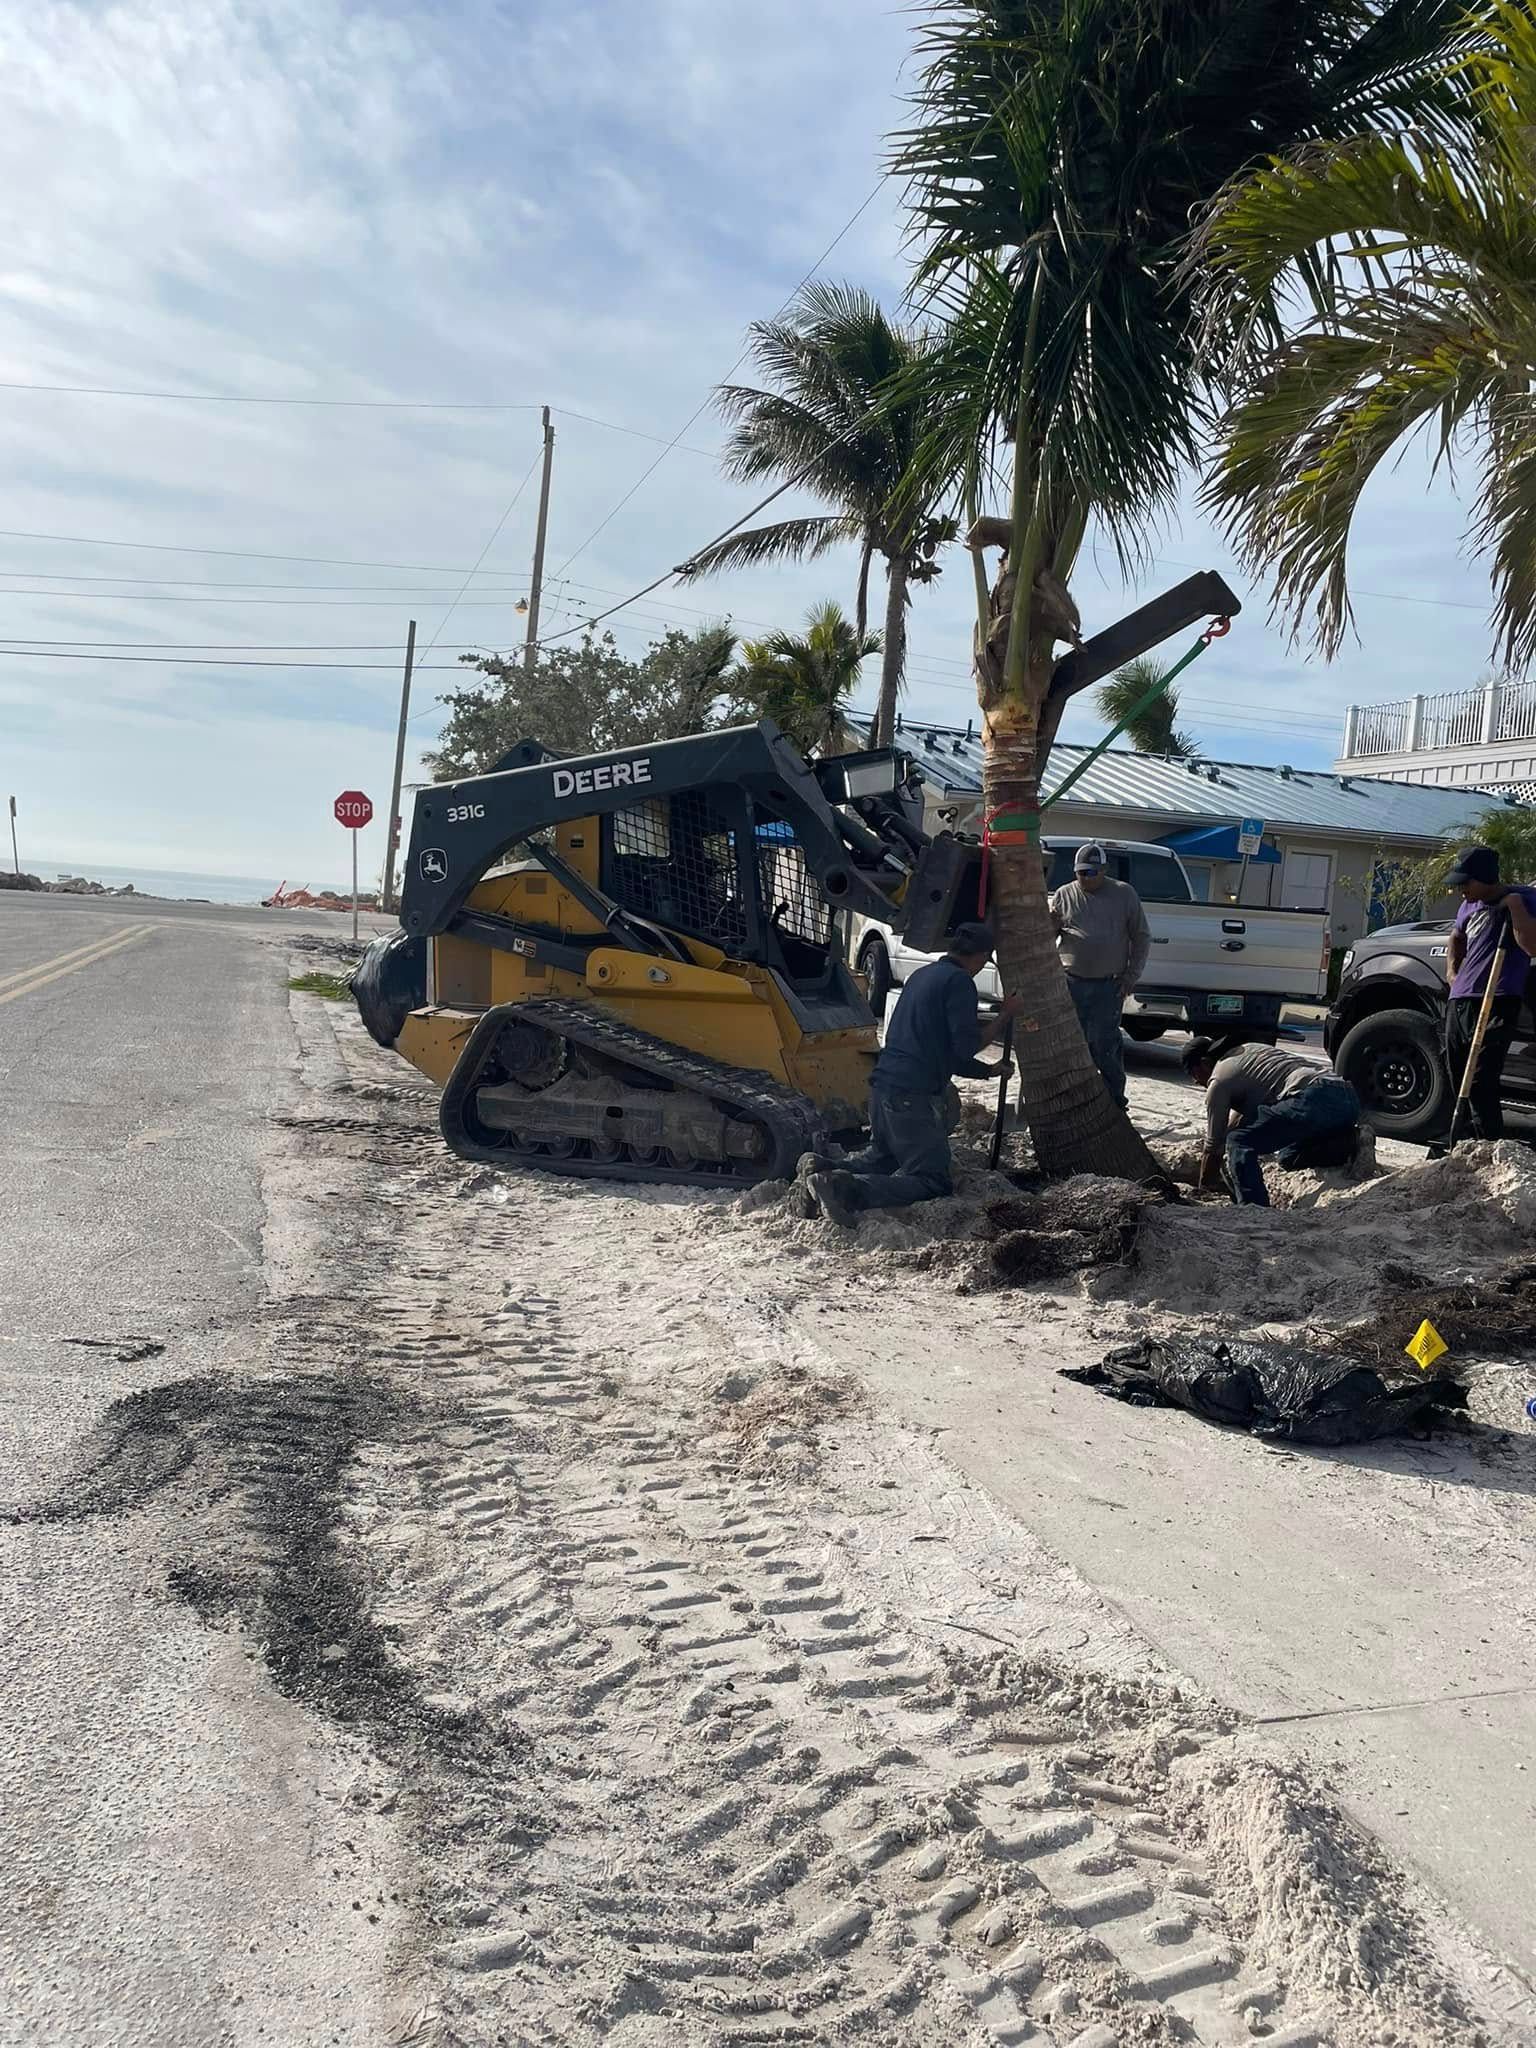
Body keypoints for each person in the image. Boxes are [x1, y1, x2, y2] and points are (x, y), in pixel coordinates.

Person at [805, 921, 1022, 1225]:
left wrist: (988, 1072)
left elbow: (939, 1049)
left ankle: (819, 1167)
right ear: (981, 956)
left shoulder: (922, 976)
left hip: (883, 1086)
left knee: (885, 1157)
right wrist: (1005, 1015)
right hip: (910, 1094)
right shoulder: (959, 983)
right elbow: (965, 1046)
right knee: (933, 1179)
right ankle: (841, 1188)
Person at [1183, 1036, 1361, 1207]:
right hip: (1347, 1098)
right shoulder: (1248, 1052)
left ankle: (1254, 1207)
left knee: (1239, 1141)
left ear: (1204, 1064)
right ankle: (1352, 1143)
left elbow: (1214, 1145)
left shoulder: (1219, 1081)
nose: (1195, 1081)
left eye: (1193, 1073)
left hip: (1314, 1098)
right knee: (1288, 1156)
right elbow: (1238, 1121)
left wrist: (1204, 1186)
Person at [1443, 844, 1536, 1140]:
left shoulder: (1525, 899)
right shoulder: (1467, 906)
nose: (1461, 891)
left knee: (1481, 1079)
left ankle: (1488, 1144)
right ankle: (1461, 1142)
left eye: (1466, 883)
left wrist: (1515, 907)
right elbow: (1456, 938)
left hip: (1499, 999)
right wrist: (1453, 974)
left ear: (1485, 878)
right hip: (1461, 1000)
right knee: (1457, 1074)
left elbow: (1531, 947)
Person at [1049, 843, 1150, 1108]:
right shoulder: (1064, 894)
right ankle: (1072, 1099)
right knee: (1069, 1045)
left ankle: (1115, 1100)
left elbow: (1141, 937)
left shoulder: (1123, 894)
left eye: (1092, 872)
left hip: (1108, 985)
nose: (1086, 878)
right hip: (1071, 982)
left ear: (1104, 870)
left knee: (1104, 1044)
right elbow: (1050, 936)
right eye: (1081, 872)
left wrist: (1131, 976)